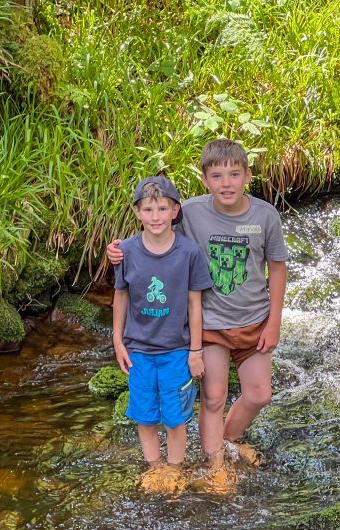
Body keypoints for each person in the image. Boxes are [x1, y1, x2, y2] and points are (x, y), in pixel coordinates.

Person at [108, 139, 287, 487]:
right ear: (205, 180)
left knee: (259, 394)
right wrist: (117, 251)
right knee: (214, 395)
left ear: (247, 176)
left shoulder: (265, 216)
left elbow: (277, 269)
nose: (226, 183)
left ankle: (229, 439)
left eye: (234, 174)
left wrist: (275, 321)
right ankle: (215, 461)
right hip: (210, 325)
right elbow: (153, 229)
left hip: (255, 321)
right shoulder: (189, 211)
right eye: (217, 175)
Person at [112, 176, 213, 491]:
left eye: (161, 208)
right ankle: (154, 467)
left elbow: (195, 304)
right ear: (138, 213)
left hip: (176, 351)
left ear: (174, 211)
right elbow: (121, 296)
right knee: (145, 416)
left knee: (175, 418)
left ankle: (175, 469)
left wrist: (196, 351)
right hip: (139, 351)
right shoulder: (126, 250)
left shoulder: (189, 252)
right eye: (147, 209)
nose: (155, 216)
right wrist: (118, 340)